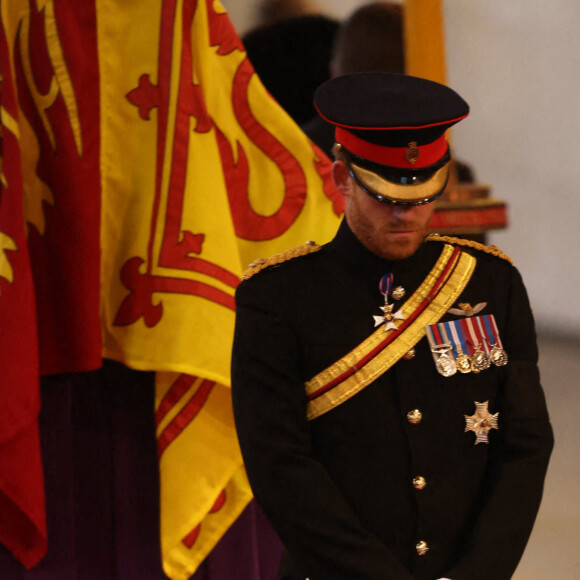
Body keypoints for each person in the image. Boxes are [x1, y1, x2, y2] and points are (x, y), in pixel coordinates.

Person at [231, 72, 553, 580]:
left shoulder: (491, 284)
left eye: (423, 196)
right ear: (341, 179)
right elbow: (279, 465)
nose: (406, 214)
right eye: (385, 196)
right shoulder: (277, 299)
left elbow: (525, 446)